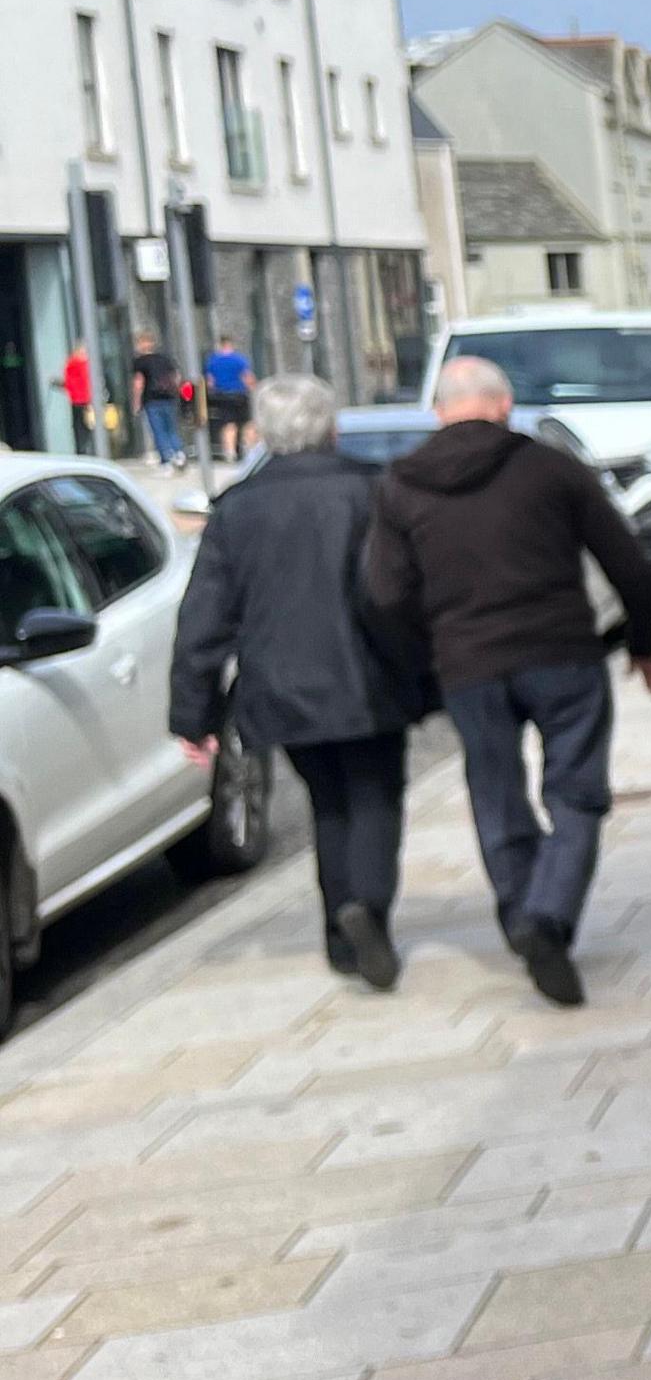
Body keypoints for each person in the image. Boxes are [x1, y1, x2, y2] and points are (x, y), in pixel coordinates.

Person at [362, 355, 651, 1007]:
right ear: (502, 405)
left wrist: (424, 660)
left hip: (467, 665)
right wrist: (643, 642)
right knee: (576, 795)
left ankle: (522, 912)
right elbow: (628, 560)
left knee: (496, 793)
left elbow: (384, 594)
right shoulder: (551, 468)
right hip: (562, 653)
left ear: (439, 410)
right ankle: (548, 914)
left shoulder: (400, 487)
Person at [170, 374, 435, 990]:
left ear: (262, 432)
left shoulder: (237, 510)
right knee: (375, 794)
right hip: (370, 674)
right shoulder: (373, 491)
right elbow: (409, 590)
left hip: (282, 686)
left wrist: (193, 714)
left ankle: (342, 938)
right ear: (331, 427)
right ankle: (366, 906)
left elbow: (203, 621)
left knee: (327, 802)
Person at [128, 331, 183, 465]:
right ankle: (179, 453)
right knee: (171, 428)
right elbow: (176, 377)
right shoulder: (164, 359)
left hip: (151, 399)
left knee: (158, 430)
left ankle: (166, 458)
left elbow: (138, 383)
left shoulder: (140, 362)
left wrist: (136, 403)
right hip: (168, 398)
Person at [203, 332, 255, 462]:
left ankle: (230, 452)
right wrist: (254, 390)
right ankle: (249, 449)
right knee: (246, 423)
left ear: (220, 345)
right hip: (239, 395)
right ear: (231, 344)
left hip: (222, 396)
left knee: (228, 424)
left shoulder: (213, 361)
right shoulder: (239, 359)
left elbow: (210, 381)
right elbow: (247, 377)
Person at [58, 343, 93, 455]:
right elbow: (87, 382)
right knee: (87, 426)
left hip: (75, 400)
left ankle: (80, 450)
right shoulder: (83, 365)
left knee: (78, 426)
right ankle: (85, 450)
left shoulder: (69, 365)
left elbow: (68, 383)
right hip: (85, 400)